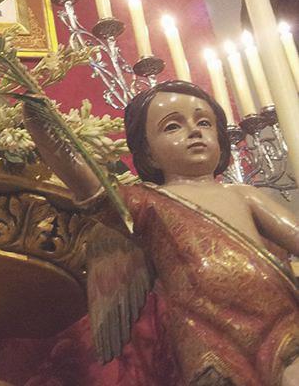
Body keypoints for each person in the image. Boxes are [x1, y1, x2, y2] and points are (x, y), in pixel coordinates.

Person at [24, 80, 299, 386]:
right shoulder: (149, 202)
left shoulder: (243, 194)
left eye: (204, 122)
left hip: (282, 322)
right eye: (172, 127)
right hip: (207, 335)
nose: (195, 131)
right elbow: (91, 188)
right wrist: (43, 127)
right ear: (149, 153)